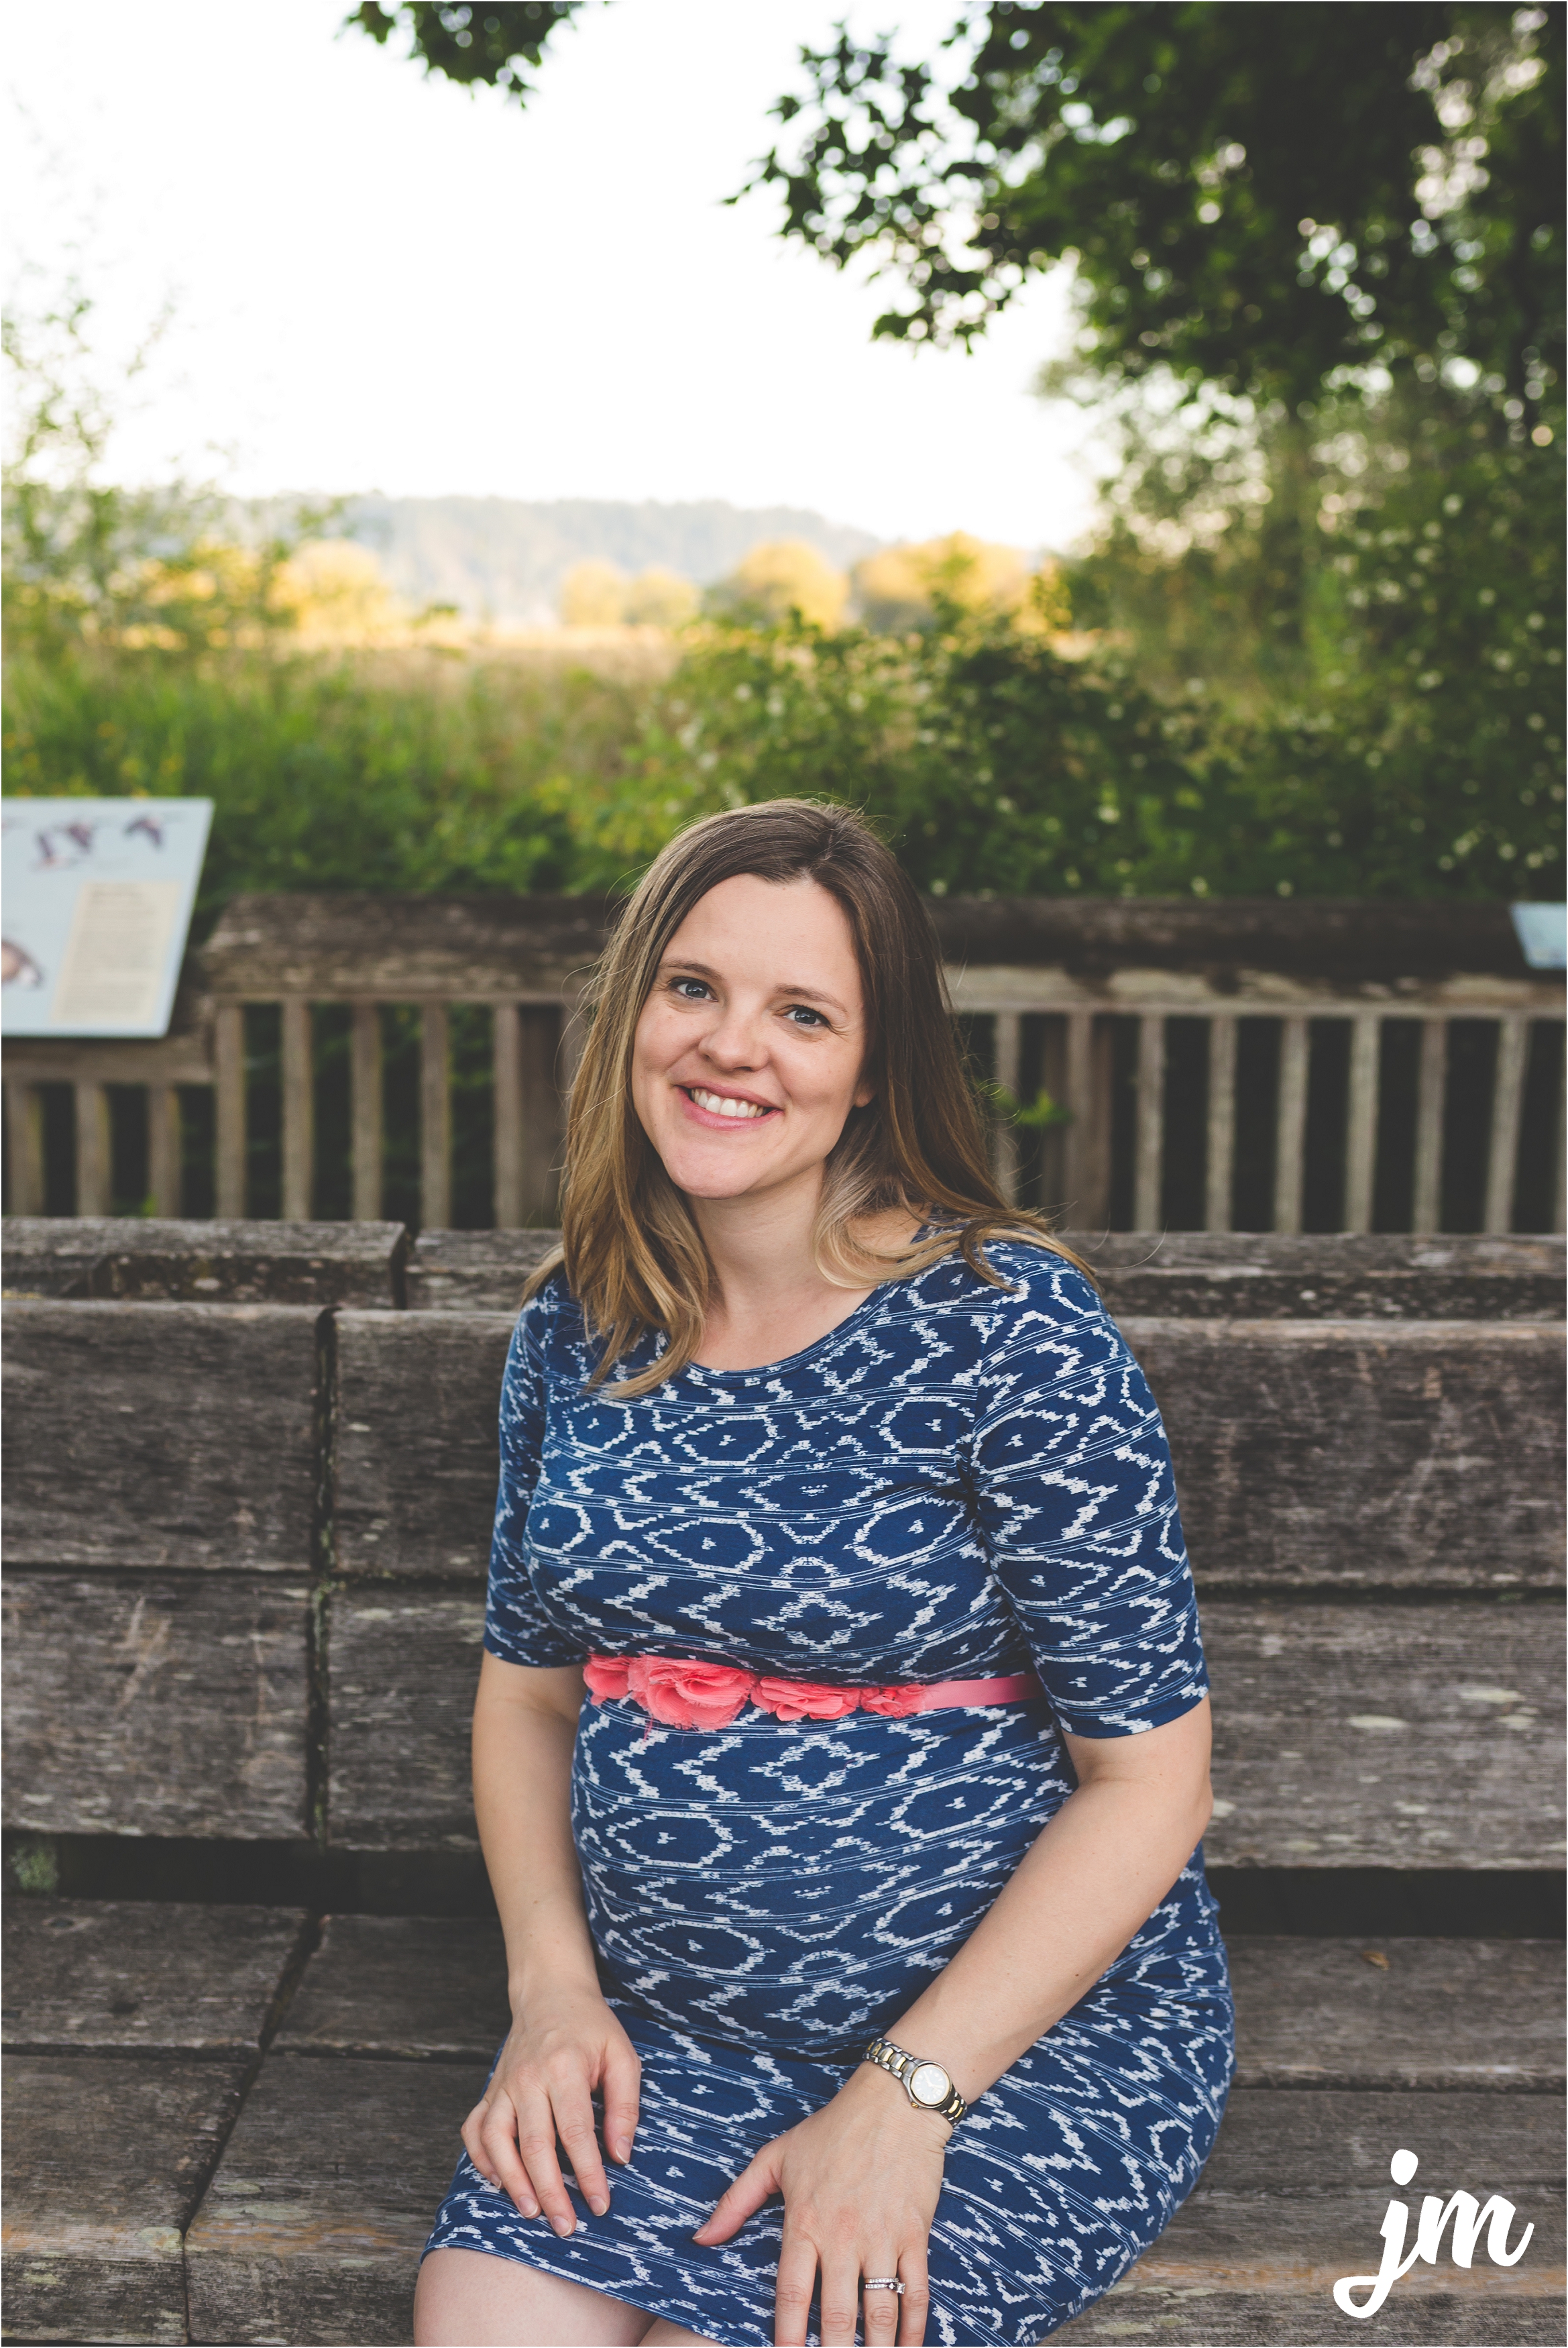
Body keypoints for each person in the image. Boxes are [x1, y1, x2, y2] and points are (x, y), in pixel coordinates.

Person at [414, 800, 1233, 2348]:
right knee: (475, 2326)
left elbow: (1153, 1785)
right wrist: (548, 1997)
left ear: (874, 1064)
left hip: (1005, 2052)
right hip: (665, 2036)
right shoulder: (579, 1330)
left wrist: (903, 2098)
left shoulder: (1011, 1337)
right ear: (634, 1011)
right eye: (694, 988)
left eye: (803, 1013)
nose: (735, 1047)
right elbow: (524, 1696)